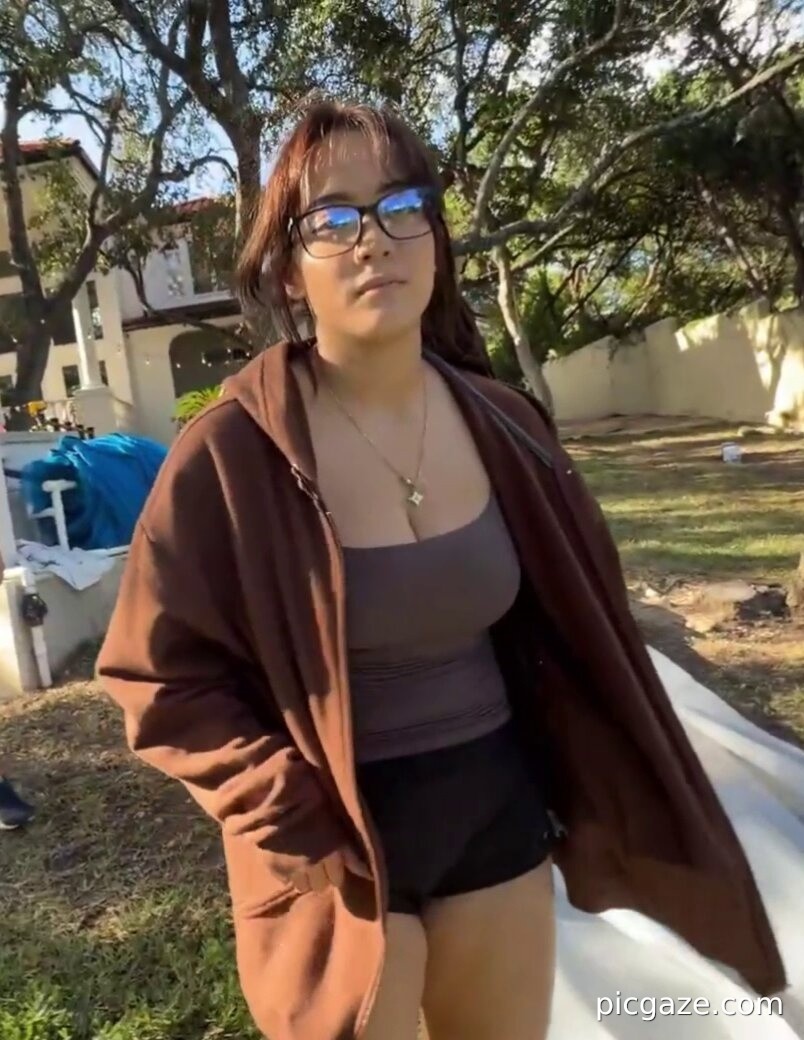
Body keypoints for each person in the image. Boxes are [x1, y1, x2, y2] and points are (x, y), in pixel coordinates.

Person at [97, 100, 787, 1040]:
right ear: (290, 271)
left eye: (400, 207)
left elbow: (580, 620)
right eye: (332, 218)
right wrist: (278, 807)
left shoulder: (508, 427)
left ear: (434, 238)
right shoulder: (231, 452)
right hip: (337, 847)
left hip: (496, 818)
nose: (373, 240)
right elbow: (154, 674)